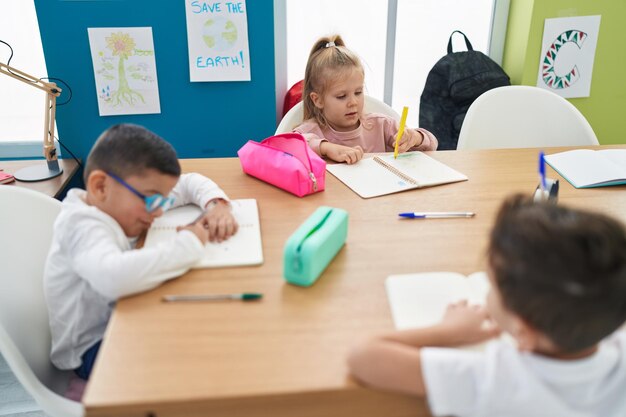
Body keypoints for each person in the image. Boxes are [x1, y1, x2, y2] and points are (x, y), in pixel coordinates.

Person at [348, 194, 626, 417]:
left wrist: (448, 331)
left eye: (491, 286)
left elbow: (363, 356)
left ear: (524, 333)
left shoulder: (492, 380)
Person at [44, 123, 239, 380]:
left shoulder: (113, 201)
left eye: (163, 201)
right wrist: (189, 243)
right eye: (152, 200)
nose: (159, 211)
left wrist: (216, 205)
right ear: (101, 187)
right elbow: (113, 278)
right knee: (188, 361)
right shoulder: (82, 225)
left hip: (118, 317)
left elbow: (190, 182)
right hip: (91, 346)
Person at [294, 34, 438, 165]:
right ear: (317, 100)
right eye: (341, 96)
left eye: (358, 92)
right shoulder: (311, 131)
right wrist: (325, 148)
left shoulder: (382, 126)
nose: (353, 102)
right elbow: (285, 147)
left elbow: (432, 145)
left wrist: (415, 137)